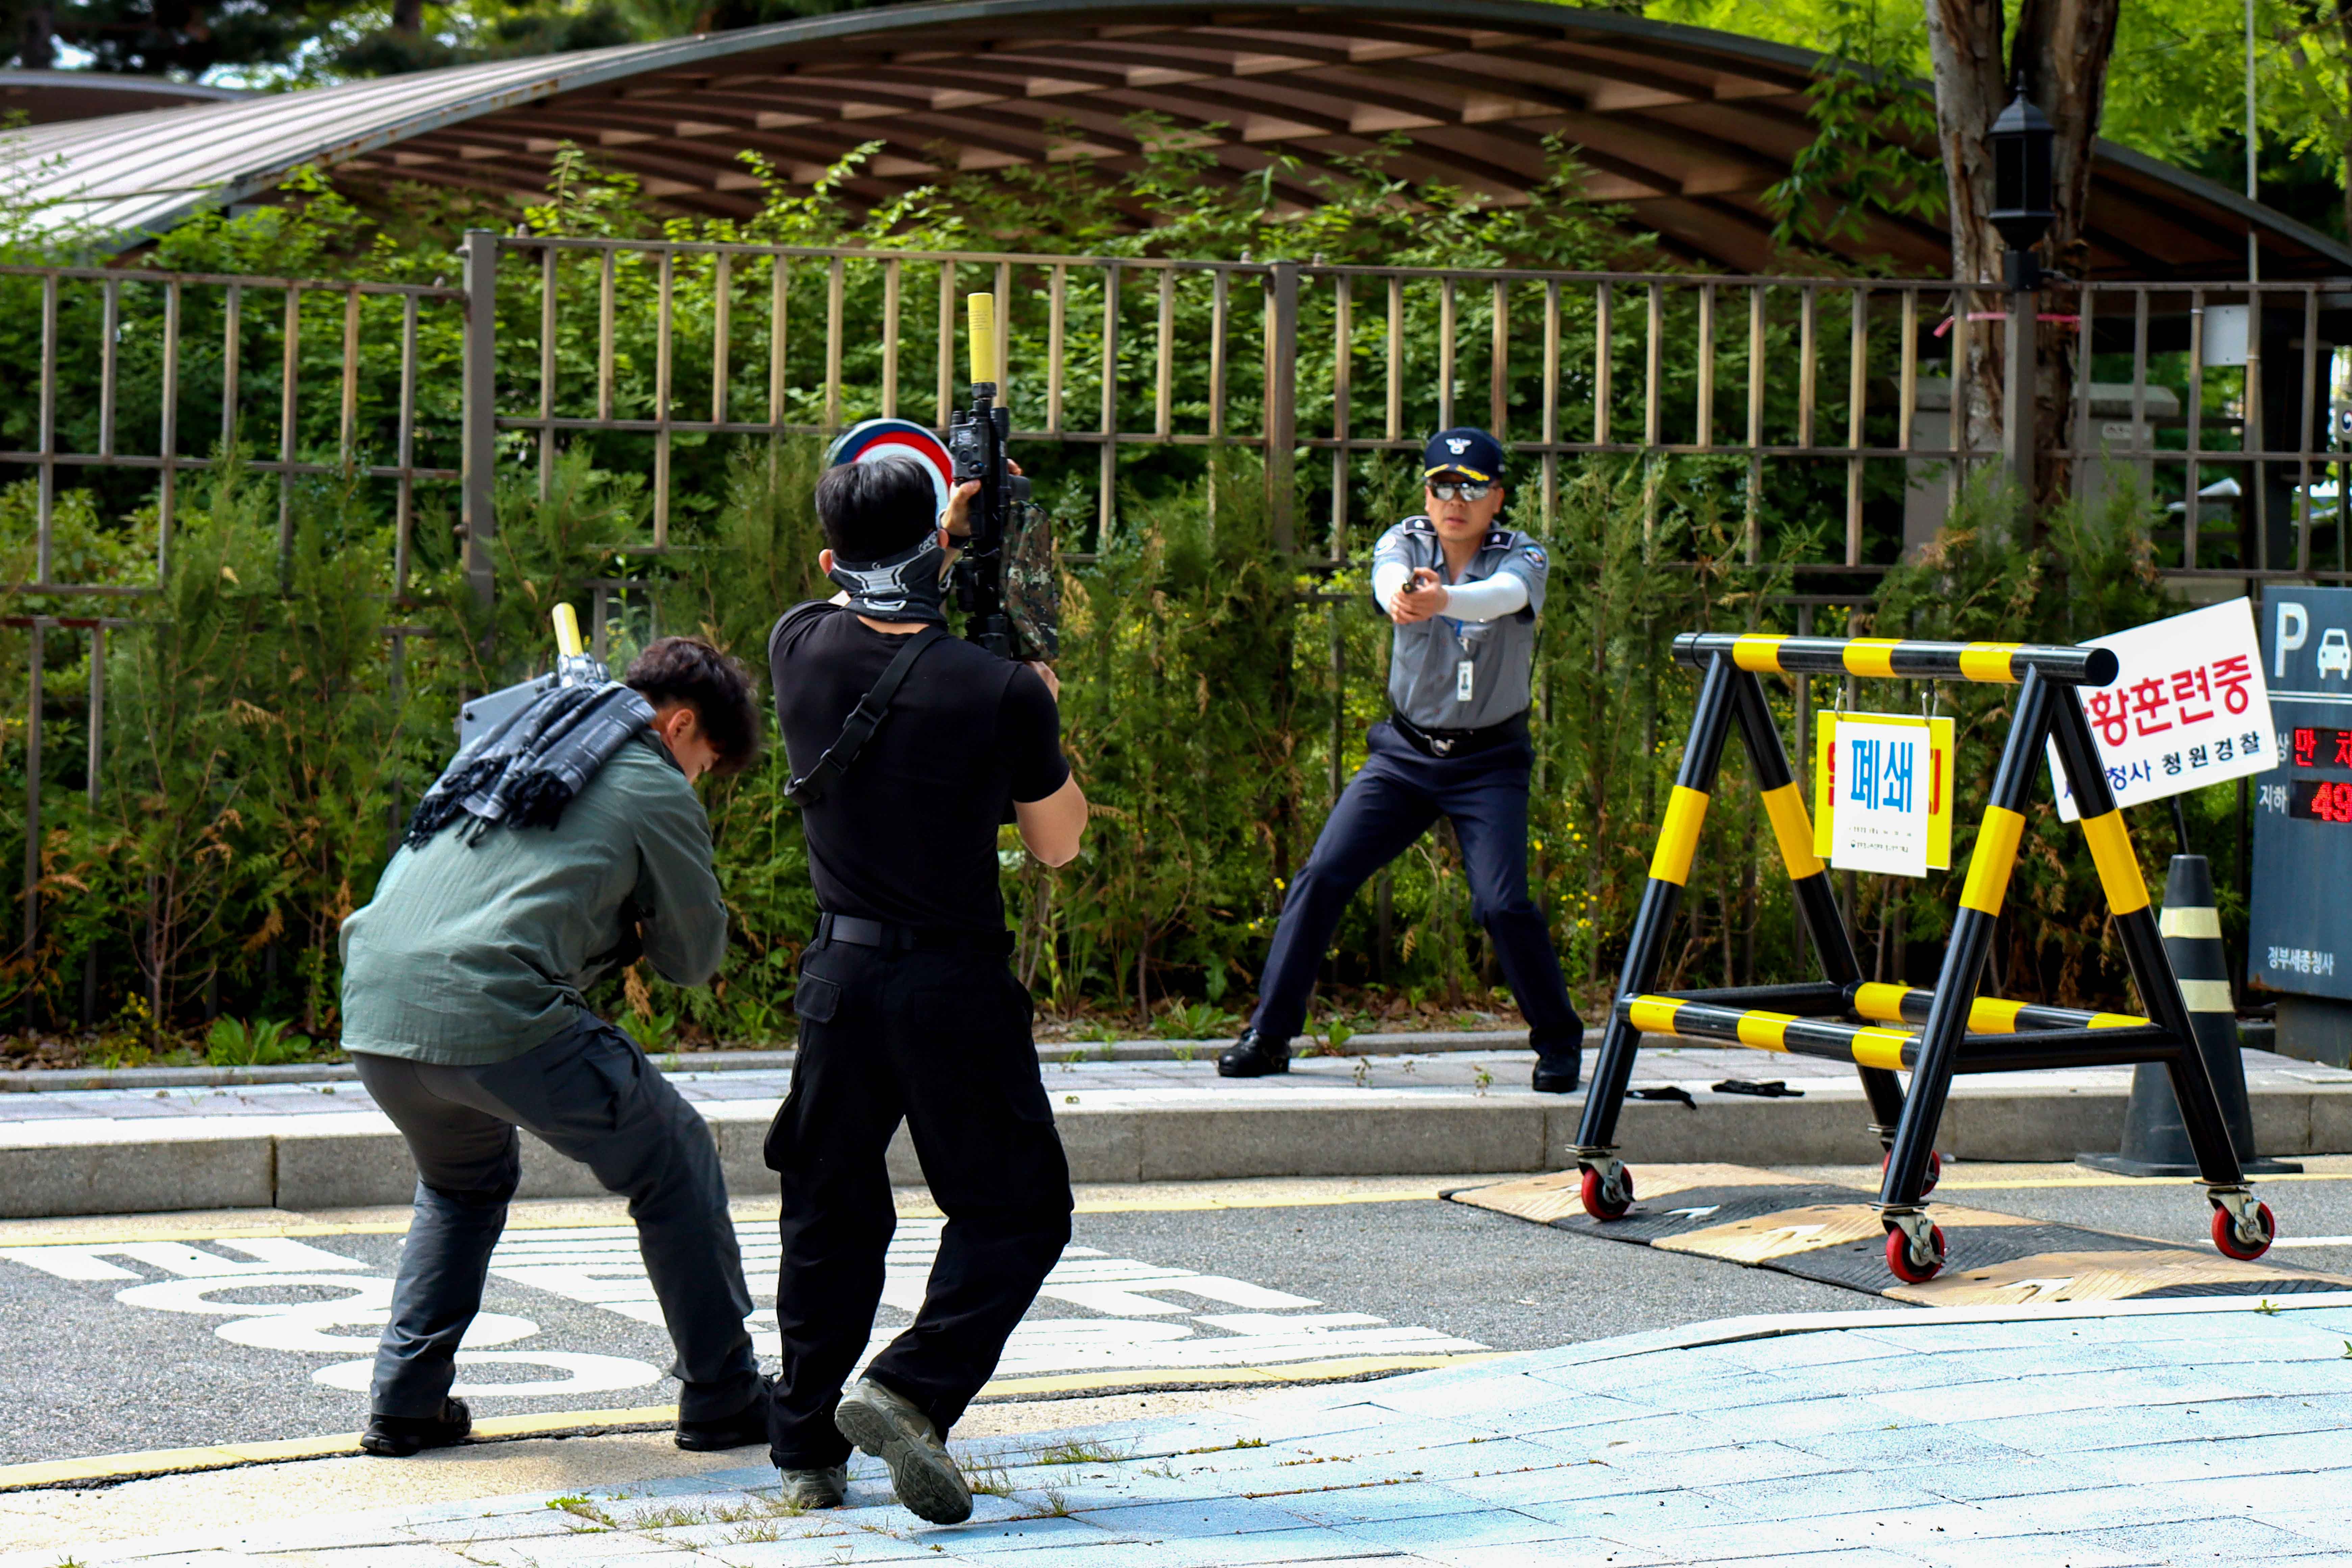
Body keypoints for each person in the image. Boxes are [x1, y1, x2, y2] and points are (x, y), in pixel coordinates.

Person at [339, 637, 770, 1459]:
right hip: (498, 1011)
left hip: (376, 1013)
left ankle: (407, 1402)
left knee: (463, 1187)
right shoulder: (648, 780)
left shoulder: (518, 744)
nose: (699, 783)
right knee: (674, 1156)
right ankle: (723, 1397)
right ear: (680, 727)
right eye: (707, 766)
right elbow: (693, 959)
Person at [763, 456, 1087, 1523]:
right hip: (953, 984)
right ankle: (911, 1387)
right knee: (1018, 1209)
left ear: (828, 561)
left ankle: (809, 1451)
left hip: (839, 983)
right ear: (940, 552)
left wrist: (940, 534)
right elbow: (1057, 846)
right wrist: (1039, 712)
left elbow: (869, 602)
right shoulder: (993, 690)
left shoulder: (797, 649)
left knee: (830, 1212)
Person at [1220, 427, 1585, 1092]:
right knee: (1323, 874)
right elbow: (1388, 578)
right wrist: (1404, 594)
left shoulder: (1522, 554)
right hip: (1406, 754)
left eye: (1471, 488)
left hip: (1490, 760)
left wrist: (1443, 601)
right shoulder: (1406, 542)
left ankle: (1559, 1042)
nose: (1455, 500)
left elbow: (1503, 597)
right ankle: (1269, 1036)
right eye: (1442, 485)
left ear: (1497, 497)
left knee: (1503, 905)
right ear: (1427, 492)